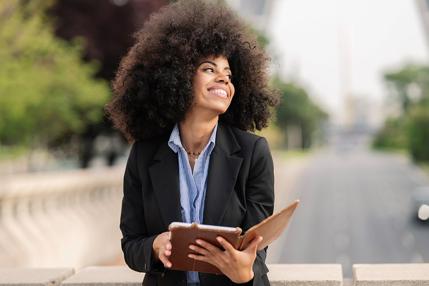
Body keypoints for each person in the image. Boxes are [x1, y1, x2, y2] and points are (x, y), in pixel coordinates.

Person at [106, 0, 278, 285]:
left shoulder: (253, 153)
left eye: (229, 73)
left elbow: (256, 252)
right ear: (178, 75)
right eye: (210, 69)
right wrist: (155, 246)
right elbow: (131, 244)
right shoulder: (144, 155)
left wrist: (244, 271)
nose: (223, 77)